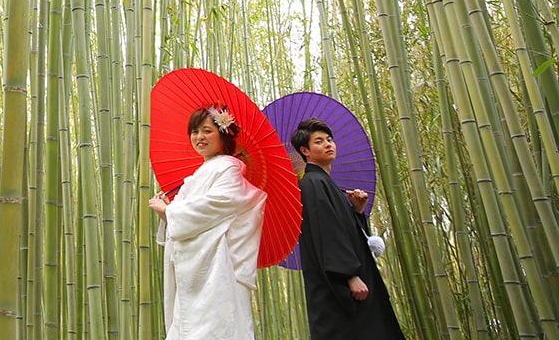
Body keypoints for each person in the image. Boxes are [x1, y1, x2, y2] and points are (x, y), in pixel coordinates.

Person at [148, 106, 267, 340]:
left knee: (212, 328)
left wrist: (170, 212)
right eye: (194, 131)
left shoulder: (229, 169)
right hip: (194, 272)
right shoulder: (202, 172)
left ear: (223, 135)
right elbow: (197, 216)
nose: (199, 137)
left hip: (215, 268)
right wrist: (170, 213)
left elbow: (217, 205)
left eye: (207, 131)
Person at [292, 117, 405, 340]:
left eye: (329, 139)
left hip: (352, 278)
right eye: (319, 141)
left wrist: (357, 211)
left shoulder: (326, 183)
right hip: (339, 285)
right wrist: (350, 275)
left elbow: (345, 229)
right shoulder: (312, 184)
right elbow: (327, 233)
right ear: (305, 150)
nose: (328, 144)